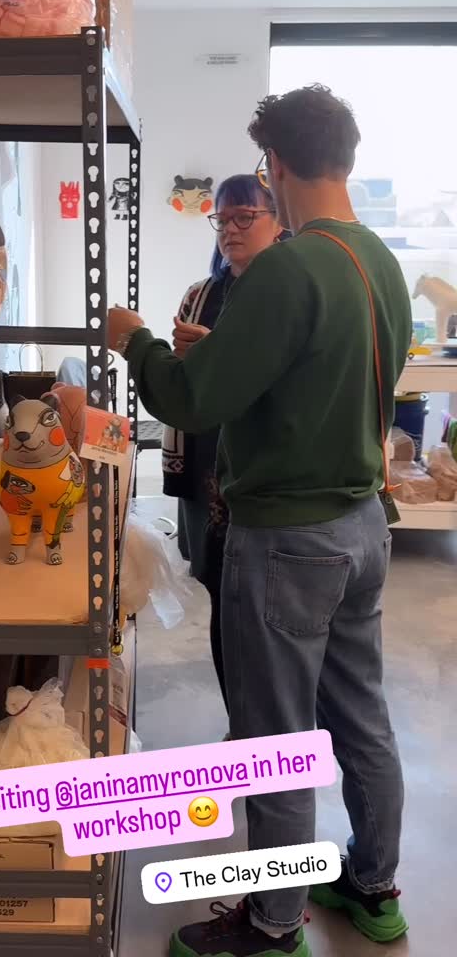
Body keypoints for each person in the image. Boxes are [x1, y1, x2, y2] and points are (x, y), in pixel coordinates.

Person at [108, 85, 410, 957]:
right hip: (362, 526)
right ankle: (373, 886)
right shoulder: (377, 260)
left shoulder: (286, 267)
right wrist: (230, 357)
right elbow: (327, 375)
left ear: (274, 167)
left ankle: (275, 924)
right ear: (344, 156)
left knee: (275, 736)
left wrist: (136, 340)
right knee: (360, 716)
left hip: (288, 540)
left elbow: (188, 403)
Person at [164, 175, 284, 719]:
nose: (231, 230)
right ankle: (242, 721)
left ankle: (273, 728)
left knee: (268, 604)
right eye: (222, 219)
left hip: (264, 470)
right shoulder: (200, 295)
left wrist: (219, 356)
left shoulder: (287, 294)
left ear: (277, 222)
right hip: (207, 463)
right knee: (219, 591)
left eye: (245, 217)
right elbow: (185, 387)